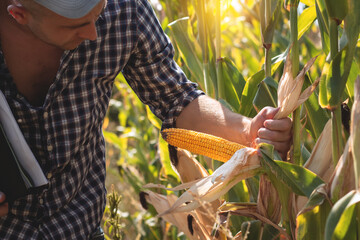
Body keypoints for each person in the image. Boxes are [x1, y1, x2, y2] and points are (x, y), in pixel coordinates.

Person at [0, 0, 292, 239]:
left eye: (97, 13)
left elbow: (177, 100)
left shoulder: (123, 10)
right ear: (19, 14)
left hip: (79, 229)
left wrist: (247, 128)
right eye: (76, 25)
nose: (93, 33)